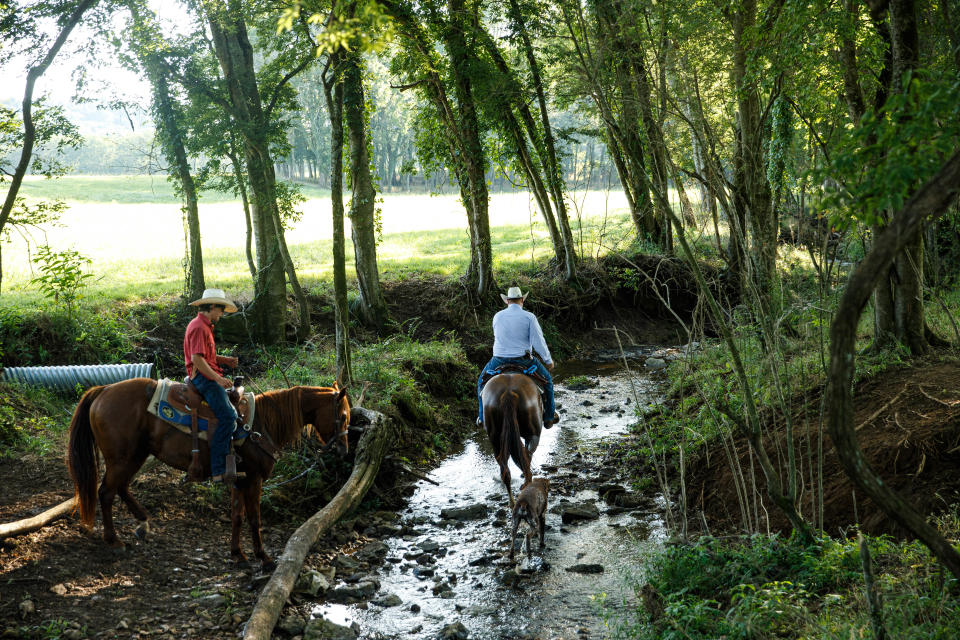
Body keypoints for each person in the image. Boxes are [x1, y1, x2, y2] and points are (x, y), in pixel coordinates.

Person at [477, 286, 558, 428]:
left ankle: (482, 418)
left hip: (498, 360)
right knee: (548, 382)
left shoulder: (497, 316)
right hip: (524, 360)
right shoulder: (529, 317)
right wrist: (548, 360)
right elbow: (538, 341)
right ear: (522, 300)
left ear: (507, 301)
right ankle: (549, 417)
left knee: (481, 383)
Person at [183, 288, 240, 483]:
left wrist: (224, 361)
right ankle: (218, 470)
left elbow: (206, 355)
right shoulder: (199, 327)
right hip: (203, 379)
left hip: (207, 375)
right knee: (229, 416)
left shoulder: (204, 325)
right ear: (213, 307)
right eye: (221, 310)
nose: (222, 315)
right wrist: (217, 378)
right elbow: (197, 359)